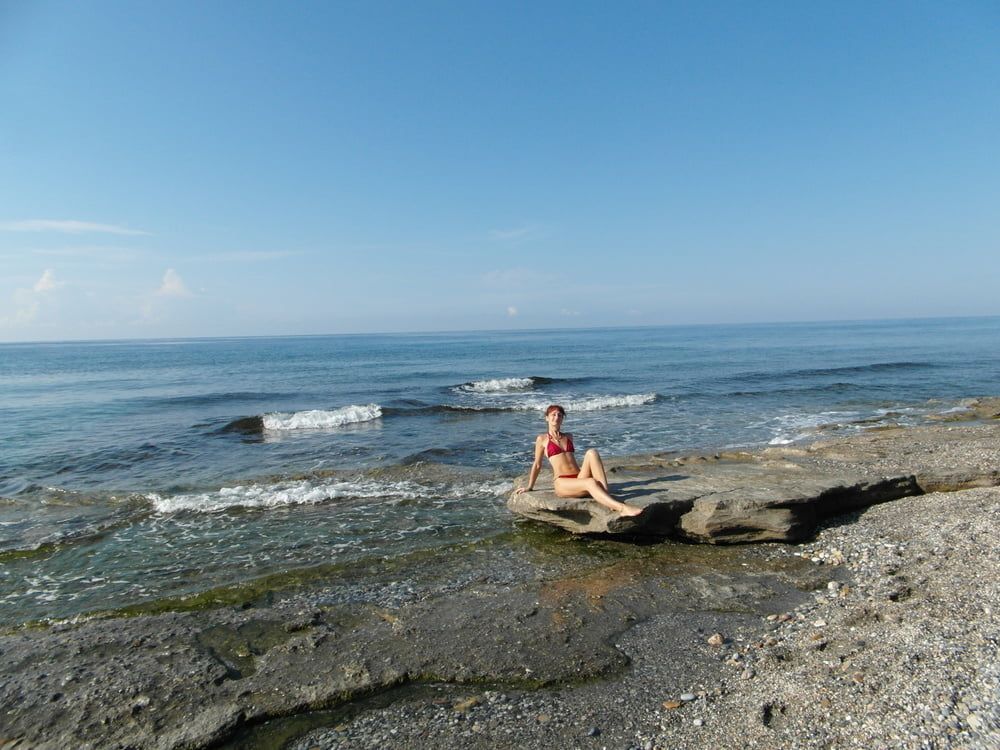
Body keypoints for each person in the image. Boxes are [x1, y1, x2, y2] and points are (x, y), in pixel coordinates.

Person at [514, 404, 643, 516]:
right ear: (546, 418)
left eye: (560, 415)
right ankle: (622, 508)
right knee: (591, 482)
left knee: (592, 452)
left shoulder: (569, 436)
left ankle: (606, 496)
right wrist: (529, 487)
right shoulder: (542, 439)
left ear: (562, 419)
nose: (556, 417)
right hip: (562, 482)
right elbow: (537, 464)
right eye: (553, 415)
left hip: (578, 477)